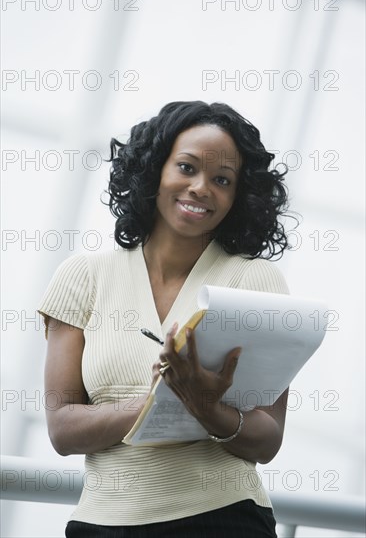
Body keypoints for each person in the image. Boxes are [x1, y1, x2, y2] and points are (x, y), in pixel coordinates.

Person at [37, 100, 292, 538]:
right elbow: (62, 428)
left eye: (222, 180)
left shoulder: (255, 281)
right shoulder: (83, 276)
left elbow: (267, 440)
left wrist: (206, 406)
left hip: (222, 520)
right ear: (155, 169)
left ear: (238, 196)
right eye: (187, 168)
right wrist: (165, 398)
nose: (200, 188)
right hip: (100, 524)